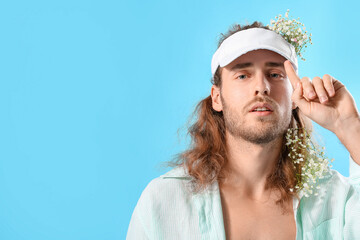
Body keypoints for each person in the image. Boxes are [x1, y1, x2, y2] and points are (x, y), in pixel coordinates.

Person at [126, 16, 360, 240]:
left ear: (294, 97)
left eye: (275, 74)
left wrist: (351, 128)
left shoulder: (336, 199)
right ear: (217, 98)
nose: (262, 86)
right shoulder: (163, 202)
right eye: (243, 75)